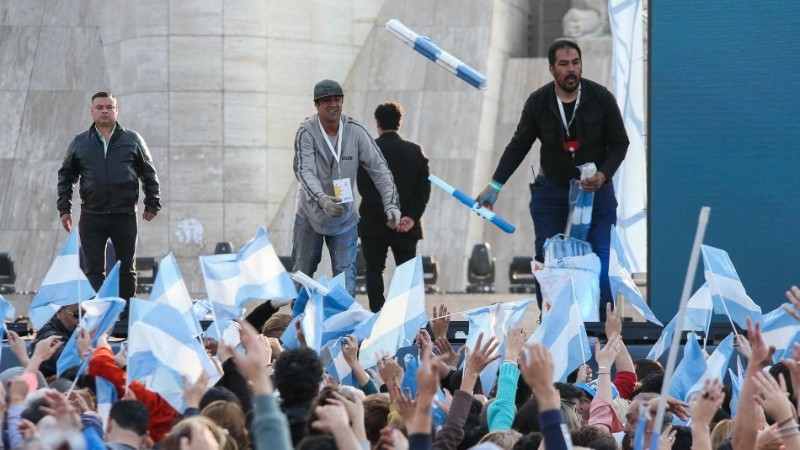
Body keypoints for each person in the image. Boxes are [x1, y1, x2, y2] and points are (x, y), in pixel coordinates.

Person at [476, 40, 628, 321]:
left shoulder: (601, 97)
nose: (571, 70)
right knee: (547, 256)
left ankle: (604, 325)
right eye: (564, 64)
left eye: (575, 63)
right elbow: (518, 145)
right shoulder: (538, 102)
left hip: (596, 193)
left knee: (601, 258)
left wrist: (603, 175)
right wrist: (494, 186)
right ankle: (551, 320)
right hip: (553, 193)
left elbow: (620, 143)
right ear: (551, 69)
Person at [292, 79, 400, 296]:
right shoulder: (306, 132)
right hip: (310, 215)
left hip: (344, 220)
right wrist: (323, 199)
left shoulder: (355, 131)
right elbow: (305, 172)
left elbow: (380, 169)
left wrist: (391, 203)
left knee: (345, 275)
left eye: (337, 99)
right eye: (326, 101)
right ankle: (298, 323)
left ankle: (346, 326)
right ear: (317, 105)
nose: (333, 104)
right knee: (302, 274)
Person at [57, 91, 161, 304]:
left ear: (116, 110)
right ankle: (96, 317)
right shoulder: (79, 142)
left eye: (109, 107)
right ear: (92, 111)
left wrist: (152, 202)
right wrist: (64, 209)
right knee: (93, 269)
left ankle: (125, 315)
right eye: (100, 107)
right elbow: (66, 177)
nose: (104, 111)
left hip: (124, 215)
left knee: (126, 268)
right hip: (92, 215)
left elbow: (148, 172)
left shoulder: (132, 139)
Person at [357, 102, 431, 312]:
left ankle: (378, 315)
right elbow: (423, 189)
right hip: (407, 227)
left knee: (374, 271)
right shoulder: (415, 152)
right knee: (406, 274)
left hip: (375, 225)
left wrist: (389, 217)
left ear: (377, 123)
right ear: (400, 122)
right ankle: (404, 316)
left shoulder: (369, 151)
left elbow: (365, 189)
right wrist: (411, 217)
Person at [30, 303, 80, 377]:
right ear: (59, 311)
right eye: (77, 314)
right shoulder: (48, 336)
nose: (81, 319)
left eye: (85, 314)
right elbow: (66, 363)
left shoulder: (72, 331)